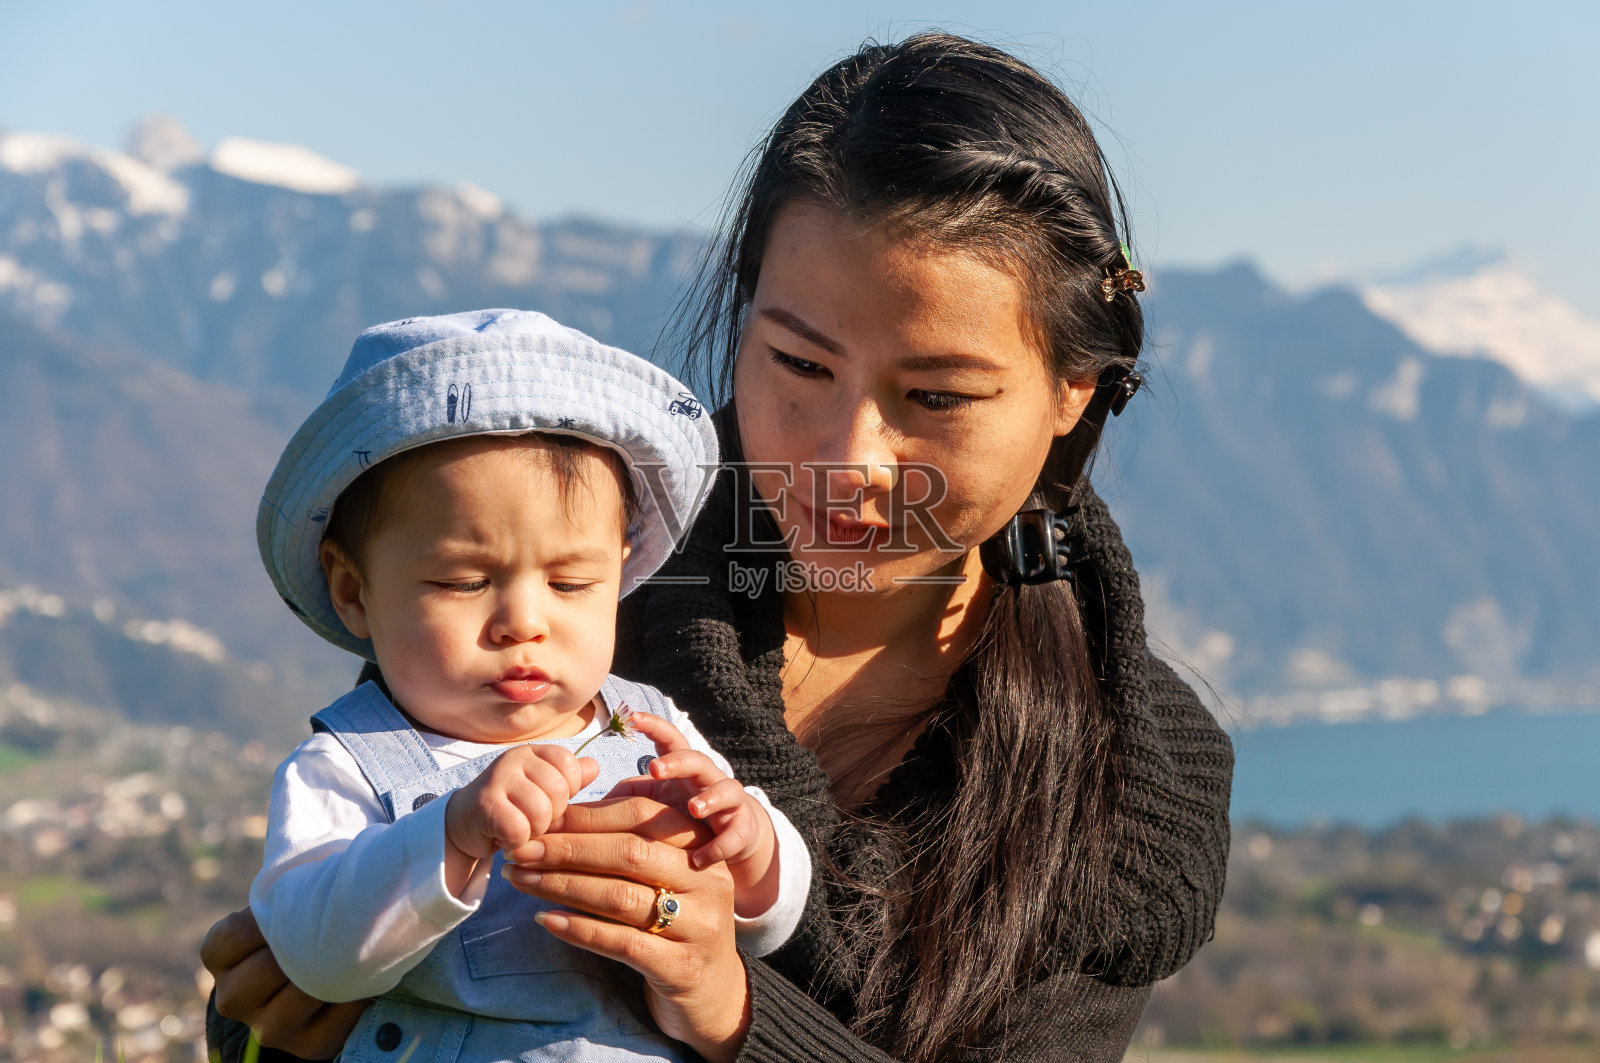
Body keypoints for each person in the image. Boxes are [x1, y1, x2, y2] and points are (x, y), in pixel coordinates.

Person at [205, 32, 1233, 1063]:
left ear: (1074, 391)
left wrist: (729, 1008)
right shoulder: (567, 586)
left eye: (935, 396)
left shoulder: (1131, 771)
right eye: (798, 362)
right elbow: (338, 936)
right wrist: (272, 1026)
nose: (848, 458)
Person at [246, 309, 811, 1062]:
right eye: (464, 580)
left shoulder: (648, 723)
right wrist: (449, 833)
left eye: (572, 582)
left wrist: (749, 843)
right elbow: (315, 953)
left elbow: (770, 922)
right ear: (354, 591)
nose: (524, 622)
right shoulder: (347, 764)